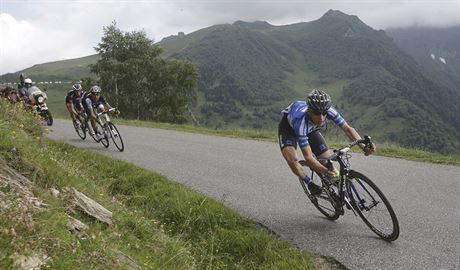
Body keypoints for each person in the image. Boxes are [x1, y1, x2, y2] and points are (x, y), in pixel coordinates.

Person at [278, 89, 375, 195]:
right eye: (317, 113)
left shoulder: (329, 110)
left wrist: (364, 146)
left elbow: (348, 129)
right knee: (293, 160)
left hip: (311, 128)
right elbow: (308, 156)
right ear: (310, 111)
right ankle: (309, 183)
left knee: (327, 161)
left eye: (324, 113)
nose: (321, 118)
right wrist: (324, 172)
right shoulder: (300, 123)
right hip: (288, 129)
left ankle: (343, 193)